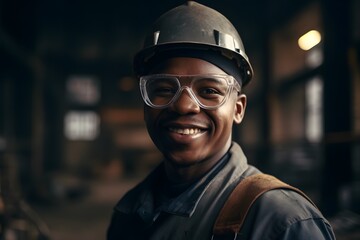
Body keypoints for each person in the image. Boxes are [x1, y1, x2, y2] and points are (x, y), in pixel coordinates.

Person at [107, 1, 336, 239]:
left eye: (209, 91)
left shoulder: (283, 223)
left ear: (238, 109)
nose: (184, 105)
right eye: (164, 89)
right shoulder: (129, 213)